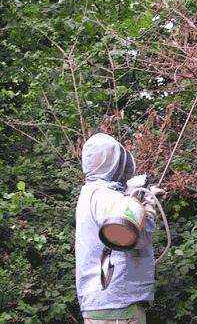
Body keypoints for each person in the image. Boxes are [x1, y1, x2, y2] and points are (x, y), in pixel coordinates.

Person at [75, 133, 161, 324]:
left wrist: (134, 195)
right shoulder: (107, 197)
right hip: (119, 302)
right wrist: (149, 206)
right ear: (114, 161)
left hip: (98, 301)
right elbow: (136, 237)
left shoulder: (90, 193)